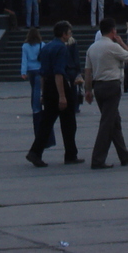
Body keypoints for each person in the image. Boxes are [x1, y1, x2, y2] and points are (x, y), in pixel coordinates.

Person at [83, 18, 128, 170]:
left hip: (98, 87)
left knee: (114, 121)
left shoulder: (92, 48)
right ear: (113, 31)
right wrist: (122, 43)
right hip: (112, 85)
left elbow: (88, 71)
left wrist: (88, 90)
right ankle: (97, 159)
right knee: (107, 124)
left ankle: (124, 154)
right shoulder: (113, 47)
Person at [25, 21, 84, 167]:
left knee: (46, 123)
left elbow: (42, 74)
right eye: (69, 33)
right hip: (60, 87)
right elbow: (59, 73)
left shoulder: (46, 47)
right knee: (69, 122)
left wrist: (44, 94)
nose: (70, 35)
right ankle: (70, 155)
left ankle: (35, 152)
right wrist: (63, 96)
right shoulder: (62, 48)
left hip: (49, 88)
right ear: (64, 34)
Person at [20, 27, 53, 147]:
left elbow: (24, 59)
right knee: (37, 90)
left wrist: (23, 71)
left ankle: (34, 106)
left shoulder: (25, 46)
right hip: (39, 69)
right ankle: (37, 106)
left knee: (33, 88)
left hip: (30, 70)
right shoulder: (42, 45)